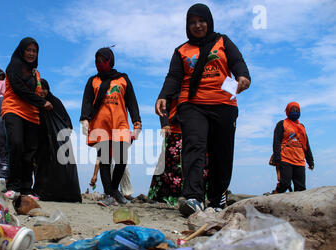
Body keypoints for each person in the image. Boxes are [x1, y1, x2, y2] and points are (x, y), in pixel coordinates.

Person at [155, 3, 251, 216]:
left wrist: (243, 77)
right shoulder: (181, 50)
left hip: (224, 104)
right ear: (187, 26)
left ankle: (217, 199)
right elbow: (174, 77)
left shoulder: (223, 41)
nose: (197, 26)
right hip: (192, 104)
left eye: (201, 21)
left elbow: (237, 62)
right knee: (194, 146)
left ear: (209, 22)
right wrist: (163, 95)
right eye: (192, 22)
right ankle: (194, 198)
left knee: (222, 153)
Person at [81, 47, 141, 206]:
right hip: (100, 125)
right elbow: (87, 101)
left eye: (103, 60)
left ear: (111, 60)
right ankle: (111, 195)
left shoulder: (123, 79)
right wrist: (84, 120)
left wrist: (137, 122)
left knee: (122, 158)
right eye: (97, 61)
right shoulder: (93, 81)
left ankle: (113, 190)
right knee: (105, 160)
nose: (100, 63)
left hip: (120, 124)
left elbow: (132, 102)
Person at [1, 37, 53, 199]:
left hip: (32, 115)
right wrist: (42, 102)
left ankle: (26, 188)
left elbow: (36, 92)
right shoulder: (14, 66)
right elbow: (19, 89)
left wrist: (43, 103)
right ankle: (12, 186)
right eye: (28, 50)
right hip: (14, 110)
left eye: (34, 51)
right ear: (22, 51)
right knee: (16, 144)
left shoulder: (35, 73)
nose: (31, 53)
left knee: (29, 153)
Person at [32, 79, 82, 202]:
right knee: (41, 167)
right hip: (40, 140)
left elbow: (66, 119)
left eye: (45, 88)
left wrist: (67, 131)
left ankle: (63, 194)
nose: (42, 91)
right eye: (40, 89)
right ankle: (41, 192)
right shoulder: (34, 102)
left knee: (60, 166)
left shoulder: (55, 102)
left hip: (56, 142)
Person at [271, 101, 314, 193]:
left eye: (297, 110)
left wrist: (310, 161)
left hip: (299, 160)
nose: (295, 112)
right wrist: (277, 157)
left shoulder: (301, 127)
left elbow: (306, 144)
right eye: (293, 110)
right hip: (285, 158)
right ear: (287, 111)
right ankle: (274, 196)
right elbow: (276, 142)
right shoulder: (282, 124)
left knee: (301, 188)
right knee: (285, 184)